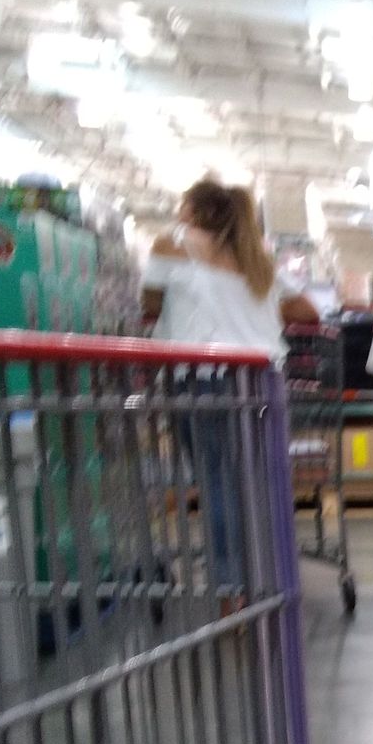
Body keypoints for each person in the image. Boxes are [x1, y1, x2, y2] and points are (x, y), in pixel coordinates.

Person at [142, 178, 319, 595]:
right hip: (262, 382)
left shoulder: (173, 242)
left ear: (193, 209)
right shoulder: (254, 257)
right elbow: (308, 310)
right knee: (257, 482)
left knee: (217, 482)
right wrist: (257, 315)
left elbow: (149, 303)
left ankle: (231, 590)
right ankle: (267, 580)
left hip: (204, 379)